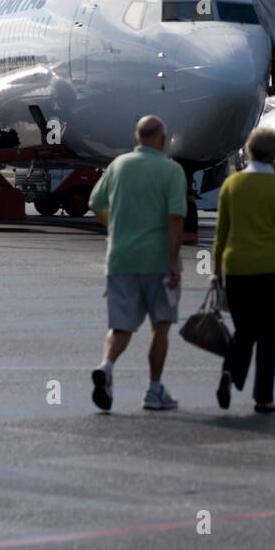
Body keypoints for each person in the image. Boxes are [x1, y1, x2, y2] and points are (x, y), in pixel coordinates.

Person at [88, 115, 186, 412]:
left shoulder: (117, 166)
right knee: (161, 325)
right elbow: (175, 218)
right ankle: (154, 391)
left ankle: (106, 366)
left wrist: (114, 228)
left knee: (121, 327)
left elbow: (95, 203)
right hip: (157, 260)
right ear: (163, 140)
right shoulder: (172, 170)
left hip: (120, 257)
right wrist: (172, 261)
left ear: (135, 139)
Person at [212, 127, 275, 413]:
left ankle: (229, 373)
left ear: (249, 151)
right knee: (269, 337)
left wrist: (215, 273)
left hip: (237, 268)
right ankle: (263, 398)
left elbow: (221, 234)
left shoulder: (231, 185)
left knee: (243, 331)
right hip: (270, 269)